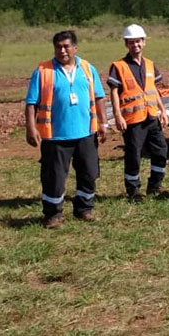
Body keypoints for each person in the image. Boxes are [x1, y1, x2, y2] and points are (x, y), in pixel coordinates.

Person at [24, 30, 108, 228]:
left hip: (85, 133)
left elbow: (99, 97)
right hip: (55, 136)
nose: (62, 51)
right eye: (58, 47)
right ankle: (53, 215)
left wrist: (103, 123)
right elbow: (30, 103)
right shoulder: (43, 71)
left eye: (66, 46)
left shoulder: (87, 69)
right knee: (54, 176)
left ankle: (84, 209)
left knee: (88, 172)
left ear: (75, 48)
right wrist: (30, 127)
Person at [108, 24, 169, 201]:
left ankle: (155, 185)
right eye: (132, 42)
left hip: (151, 116)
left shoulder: (150, 64)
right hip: (132, 120)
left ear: (144, 42)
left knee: (161, 151)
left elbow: (154, 89)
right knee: (134, 154)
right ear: (126, 44)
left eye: (139, 41)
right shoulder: (118, 66)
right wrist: (117, 116)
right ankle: (133, 190)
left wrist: (163, 110)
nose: (136, 45)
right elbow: (113, 92)